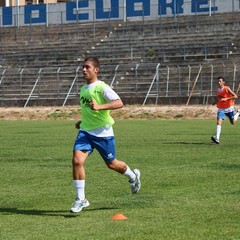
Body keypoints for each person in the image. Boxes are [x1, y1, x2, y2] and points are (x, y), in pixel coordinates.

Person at [70, 57, 141, 213]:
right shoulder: (83, 89)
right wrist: (82, 122)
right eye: (82, 67)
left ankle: (133, 177)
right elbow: (90, 110)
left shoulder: (102, 87)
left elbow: (118, 102)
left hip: (103, 133)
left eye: (87, 67)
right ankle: (81, 199)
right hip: (86, 132)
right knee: (76, 161)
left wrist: (100, 106)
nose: (83, 70)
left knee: (112, 164)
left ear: (96, 70)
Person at [211, 76, 240, 144]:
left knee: (233, 122)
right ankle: (217, 138)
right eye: (218, 81)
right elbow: (219, 99)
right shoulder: (218, 90)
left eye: (220, 81)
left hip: (229, 108)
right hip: (221, 108)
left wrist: (226, 99)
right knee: (218, 122)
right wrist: (215, 102)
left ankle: (238, 113)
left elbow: (235, 96)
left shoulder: (227, 88)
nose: (219, 82)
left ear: (223, 82)